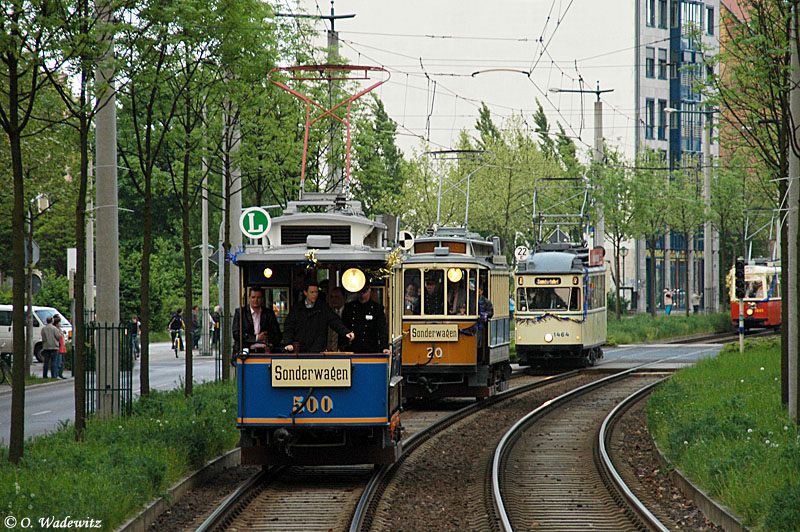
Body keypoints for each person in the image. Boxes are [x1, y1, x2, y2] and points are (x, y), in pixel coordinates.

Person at [283, 280, 353, 353]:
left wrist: (346, 332)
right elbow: (289, 326)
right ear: (305, 293)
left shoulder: (323, 307)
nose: (314, 295)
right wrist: (288, 343)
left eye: (316, 292)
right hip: (301, 350)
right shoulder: (296, 309)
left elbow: (334, 321)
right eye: (312, 292)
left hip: (318, 349)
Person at [232, 287, 282, 364]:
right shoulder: (240, 313)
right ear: (249, 298)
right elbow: (236, 334)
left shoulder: (268, 314)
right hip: (246, 354)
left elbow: (277, 334)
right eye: (253, 297)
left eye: (258, 297)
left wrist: (270, 344)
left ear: (262, 299)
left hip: (264, 353)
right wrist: (256, 338)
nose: (255, 300)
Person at [341, 285, 390, 354]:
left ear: (369, 291)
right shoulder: (349, 307)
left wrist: (384, 347)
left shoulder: (376, 308)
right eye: (360, 293)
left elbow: (382, 329)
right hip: (352, 347)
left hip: (371, 348)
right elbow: (344, 326)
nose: (362, 295)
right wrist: (342, 346)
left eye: (364, 292)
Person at [327, 286, 346, 351]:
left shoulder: (348, 313)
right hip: (328, 351)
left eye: (337, 297)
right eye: (332, 297)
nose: (334, 300)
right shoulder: (328, 313)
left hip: (343, 350)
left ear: (344, 297)